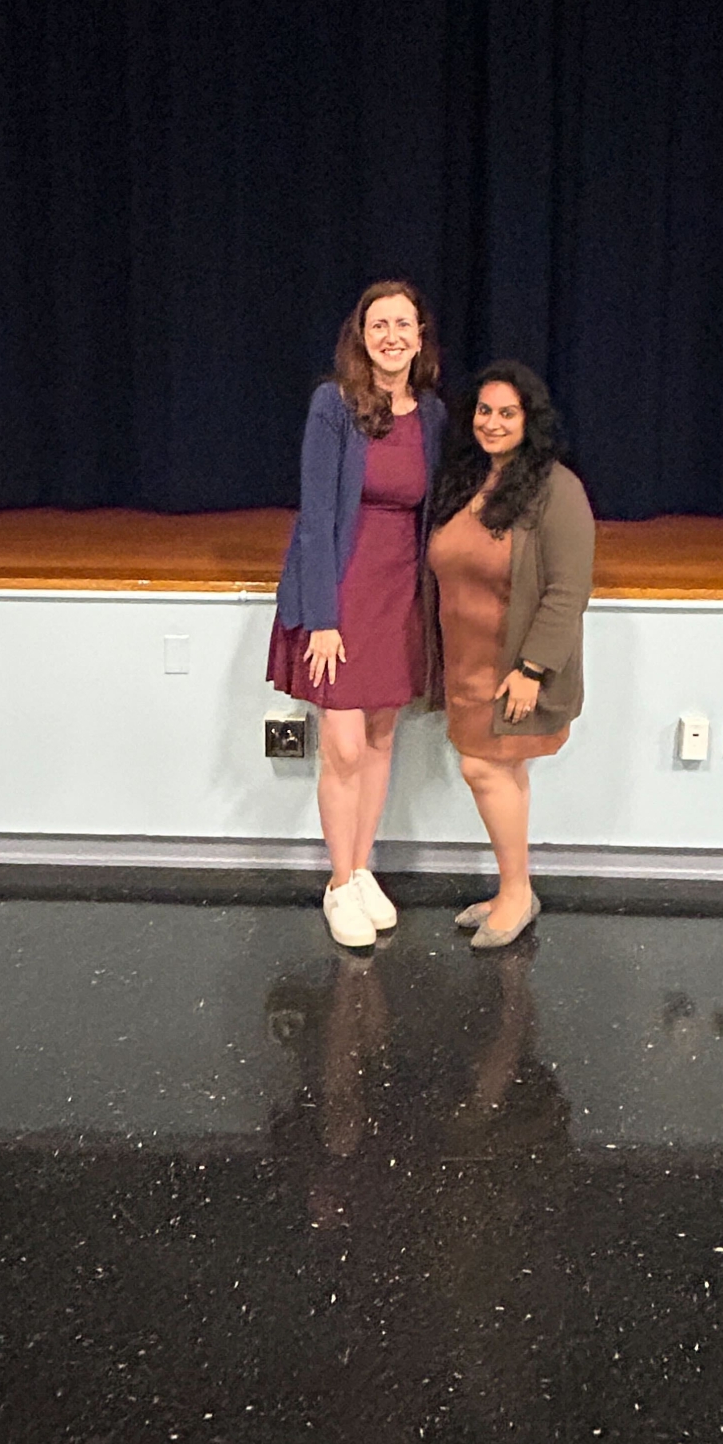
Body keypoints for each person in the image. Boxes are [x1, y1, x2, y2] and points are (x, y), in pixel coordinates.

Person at [269, 281, 446, 948]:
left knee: (380, 738)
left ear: (420, 337)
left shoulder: (432, 414)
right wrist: (322, 617)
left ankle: (363, 867)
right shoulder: (335, 405)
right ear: (362, 336)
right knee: (342, 747)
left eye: (404, 324)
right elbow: (316, 516)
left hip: (401, 594)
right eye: (380, 325)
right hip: (342, 593)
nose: (392, 336)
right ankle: (339, 883)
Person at [427, 361, 595, 949]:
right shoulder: (468, 480)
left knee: (485, 769)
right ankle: (512, 890)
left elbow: (568, 590)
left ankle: (517, 894)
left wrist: (531, 669)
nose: (492, 423)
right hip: (465, 662)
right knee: (501, 771)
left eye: (507, 413)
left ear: (530, 420)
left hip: (511, 667)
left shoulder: (556, 488)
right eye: (484, 410)